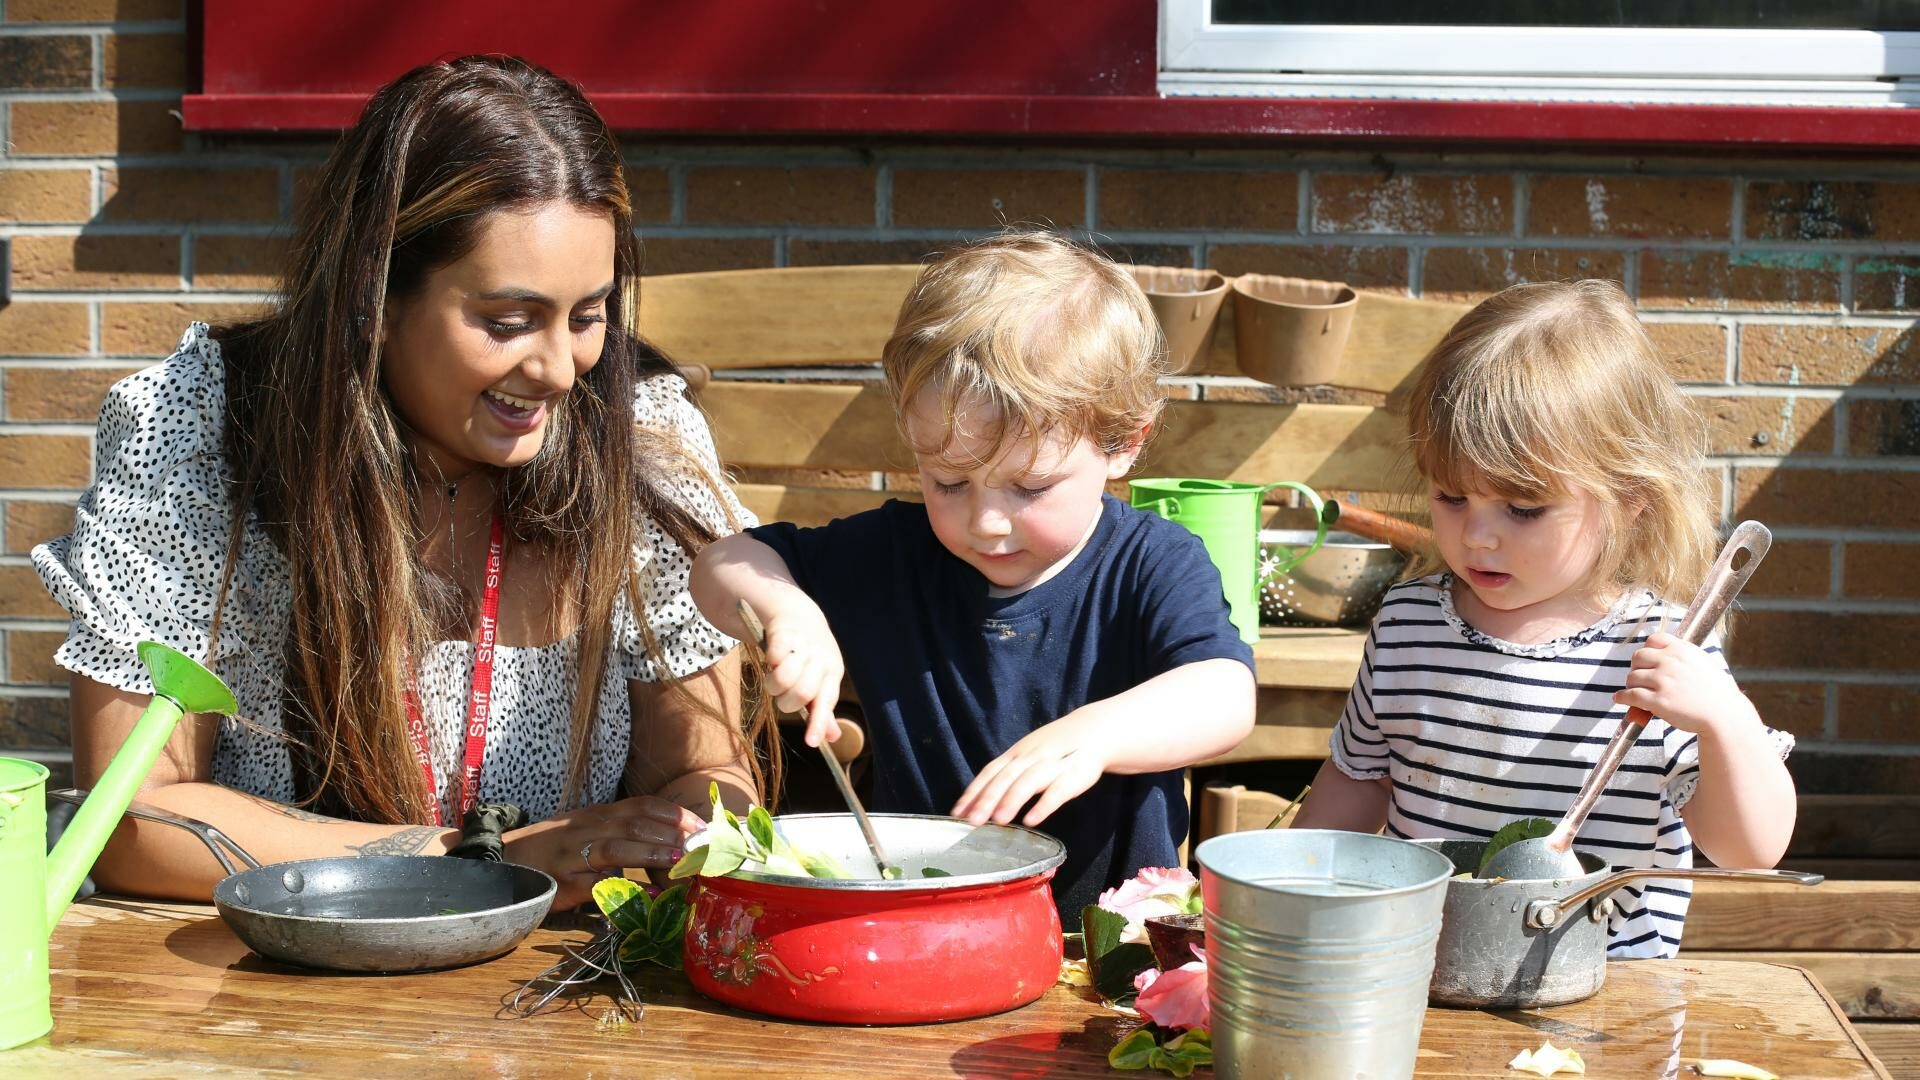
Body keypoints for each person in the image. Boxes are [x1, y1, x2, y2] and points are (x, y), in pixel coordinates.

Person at [33, 56, 772, 910]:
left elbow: (704, 770)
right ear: (373, 300)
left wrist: (681, 836)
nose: (562, 368)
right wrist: (468, 862)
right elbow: (135, 818)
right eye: (507, 321)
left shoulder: (638, 434)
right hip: (268, 983)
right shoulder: (203, 428)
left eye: (590, 315)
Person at [689, 232, 1257, 920]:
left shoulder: (1152, 562)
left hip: (1110, 946)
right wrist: (788, 612)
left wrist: (1098, 736)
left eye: (1030, 486)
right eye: (950, 481)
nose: (987, 521)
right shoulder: (892, 555)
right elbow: (722, 563)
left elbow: (1225, 694)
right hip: (916, 922)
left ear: (1123, 444)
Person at [1291, 280, 1797, 958]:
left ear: (1628, 500)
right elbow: (1360, 780)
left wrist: (1724, 721)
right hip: (1428, 973)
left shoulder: (1664, 652)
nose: (1477, 537)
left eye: (1522, 509)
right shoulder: (1409, 623)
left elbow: (1748, 849)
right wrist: (1293, 895)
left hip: (1611, 1001)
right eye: (1450, 497)